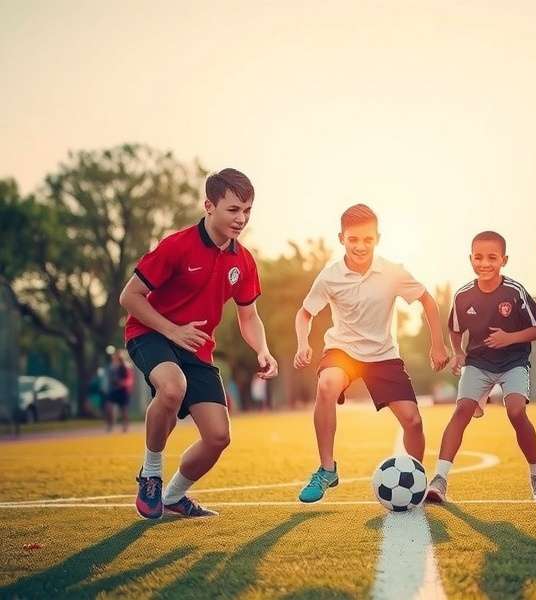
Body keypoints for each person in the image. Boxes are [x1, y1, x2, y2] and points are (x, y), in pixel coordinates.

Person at [120, 168, 278, 519]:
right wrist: (173, 331)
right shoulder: (176, 246)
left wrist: (262, 350)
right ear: (209, 205)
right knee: (172, 388)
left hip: (196, 348)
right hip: (150, 334)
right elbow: (130, 297)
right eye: (234, 209)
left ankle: (174, 496)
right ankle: (151, 474)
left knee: (218, 437)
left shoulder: (244, 261)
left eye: (247, 210)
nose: (242, 218)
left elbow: (248, 317)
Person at [293, 203, 449, 503]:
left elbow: (428, 301)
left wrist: (438, 344)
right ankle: (327, 470)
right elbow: (304, 314)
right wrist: (303, 342)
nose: (360, 246)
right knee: (326, 384)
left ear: (378, 237)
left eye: (367, 239)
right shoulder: (330, 276)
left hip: (382, 354)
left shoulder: (393, 272)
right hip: (343, 350)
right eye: (353, 239)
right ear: (342, 239)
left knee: (413, 421)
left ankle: (416, 477)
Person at [426, 231, 536, 503]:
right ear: (470, 259)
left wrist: (510, 338)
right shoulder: (462, 296)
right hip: (479, 363)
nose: (485, 263)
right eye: (478, 257)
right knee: (461, 410)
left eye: (492, 258)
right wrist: (459, 353)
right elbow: (455, 330)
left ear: (504, 260)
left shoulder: (515, 291)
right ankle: (439, 479)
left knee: (516, 411)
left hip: (513, 362)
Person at [105, 350, 133, 432]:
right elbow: (110, 378)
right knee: (108, 406)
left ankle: (125, 426)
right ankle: (110, 425)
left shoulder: (127, 366)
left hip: (123, 390)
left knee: (124, 409)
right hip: (114, 390)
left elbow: (129, 379)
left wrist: (123, 384)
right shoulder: (112, 366)